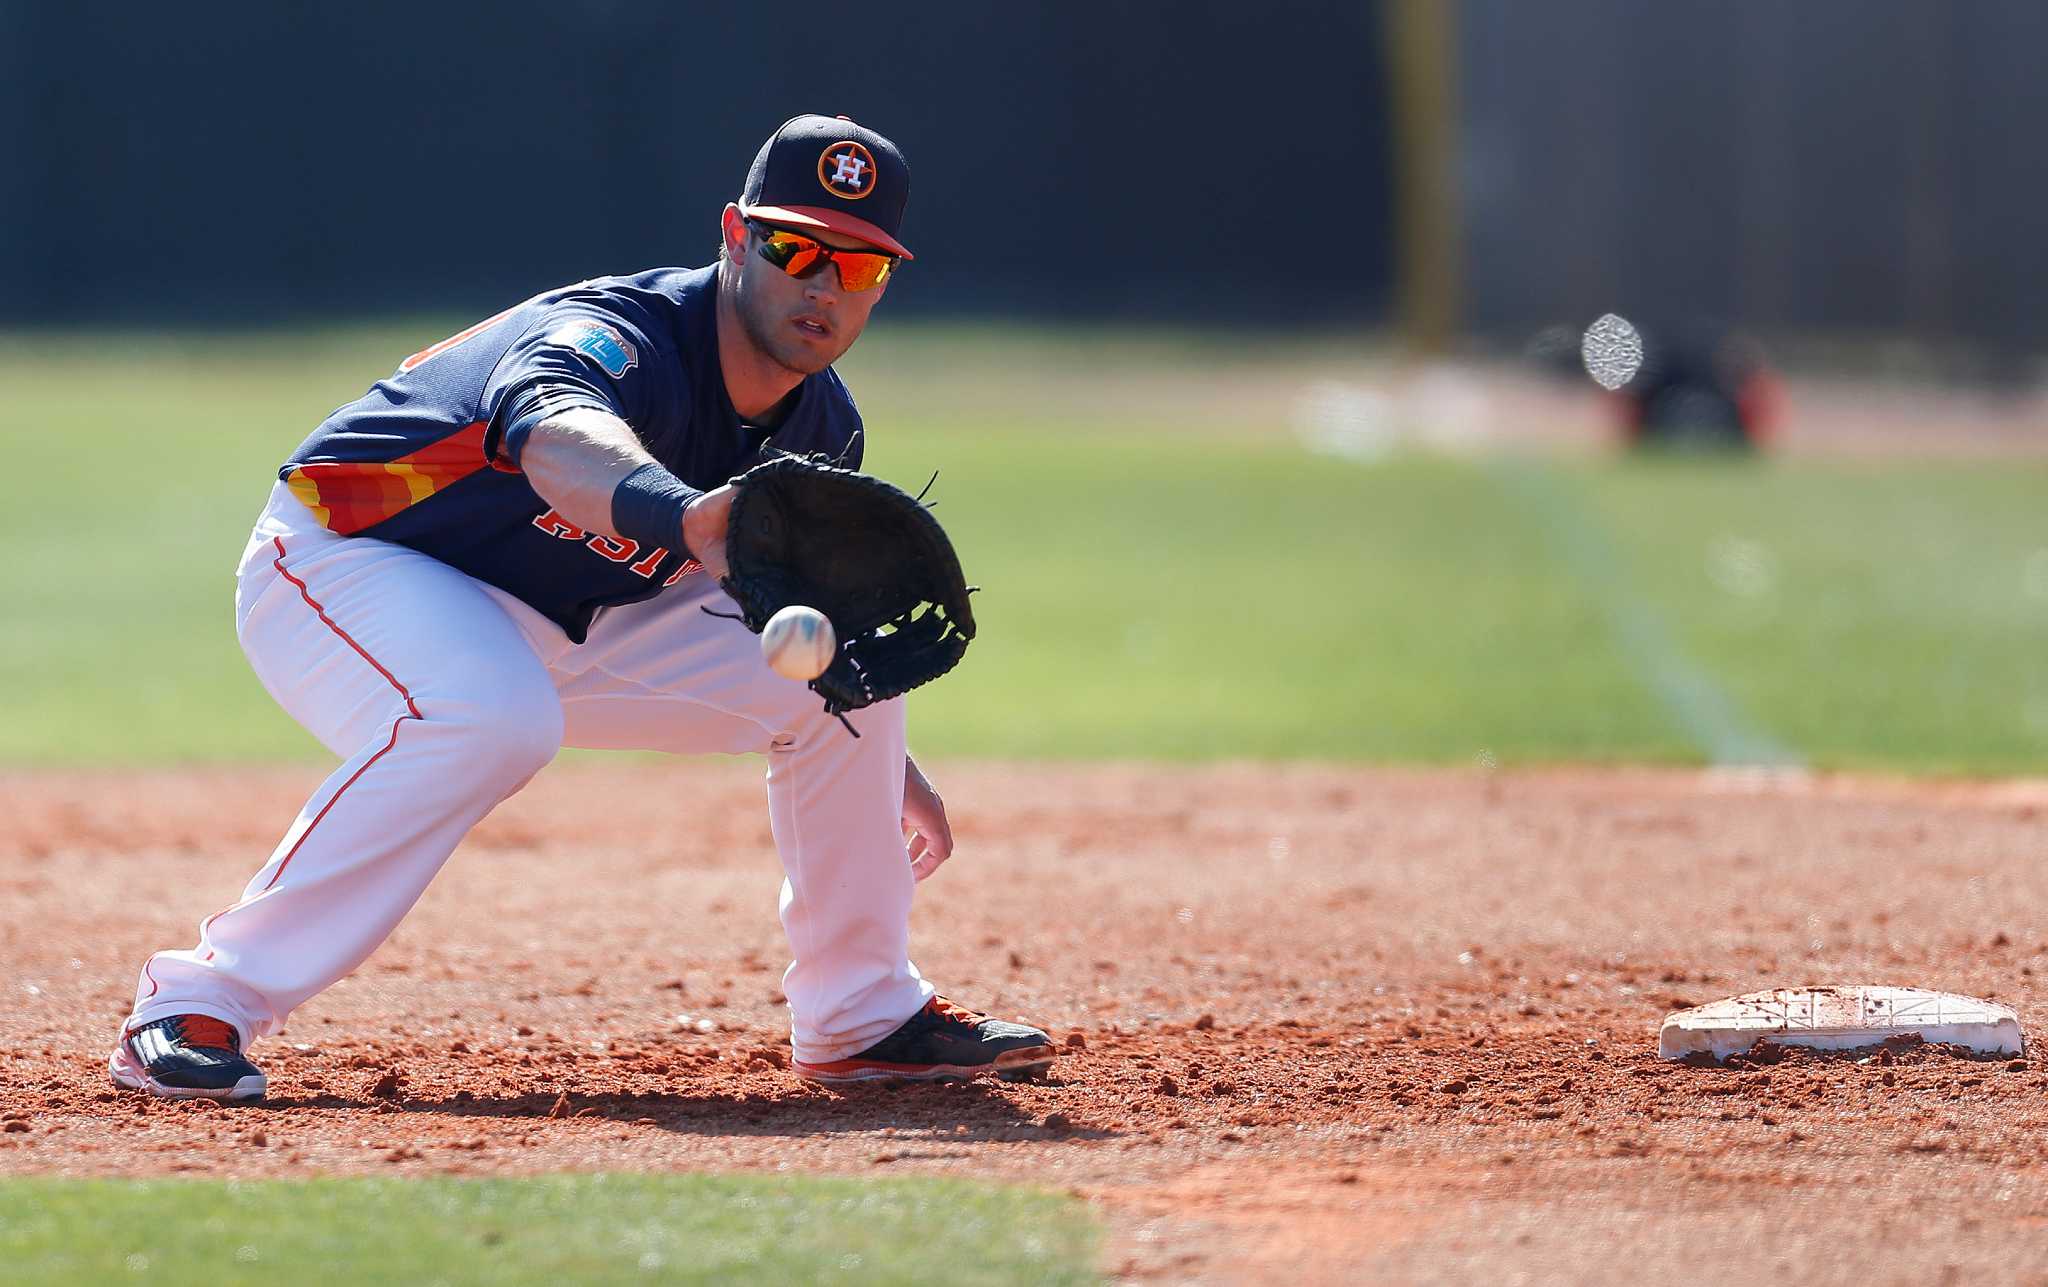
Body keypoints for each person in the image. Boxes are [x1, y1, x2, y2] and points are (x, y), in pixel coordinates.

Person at [109, 114, 1055, 1102]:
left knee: (839, 680)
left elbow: (777, 614)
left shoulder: (821, 428)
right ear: (733, 235)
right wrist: (685, 517)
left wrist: (876, 755)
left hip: (568, 609)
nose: (821, 285)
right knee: (492, 716)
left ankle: (863, 1019)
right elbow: (559, 439)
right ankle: (191, 1006)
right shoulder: (614, 339)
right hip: (351, 557)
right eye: (794, 248)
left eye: (857, 267)